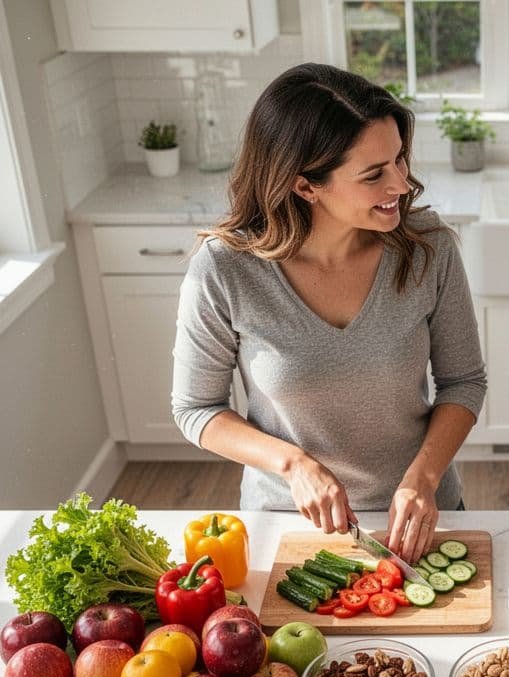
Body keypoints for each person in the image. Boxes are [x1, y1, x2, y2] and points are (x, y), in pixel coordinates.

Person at [173, 63, 486, 561]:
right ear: (306, 186)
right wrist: (294, 465)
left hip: (420, 516)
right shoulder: (224, 269)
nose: (402, 185)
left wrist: (423, 479)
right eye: (374, 174)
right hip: (288, 527)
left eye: (400, 160)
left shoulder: (429, 248)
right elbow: (196, 410)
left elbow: (464, 382)